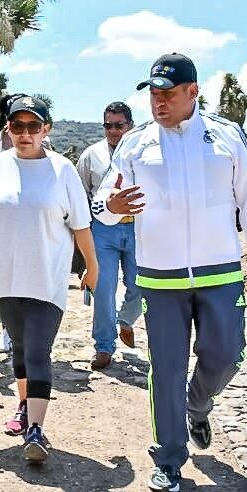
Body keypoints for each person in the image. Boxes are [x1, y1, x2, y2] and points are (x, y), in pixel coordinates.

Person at [93, 53, 247, 491]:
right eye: (154, 94)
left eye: (168, 94)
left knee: (228, 355)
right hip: (160, 278)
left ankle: (197, 407)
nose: (159, 102)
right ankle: (169, 459)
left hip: (220, 273)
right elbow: (103, 203)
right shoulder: (136, 143)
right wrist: (112, 207)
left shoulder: (226, 137)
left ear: (192, 93)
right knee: (167, 367)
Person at [0, 96, 98, 465]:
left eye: (33, 127)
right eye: (17, 126)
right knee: (20, 347)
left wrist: (92, 266)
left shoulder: (62, 169)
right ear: (8, 129)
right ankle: (24, 405)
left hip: (46, 277)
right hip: (4, 274)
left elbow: (80, 225)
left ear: (46, 130)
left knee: (37, 349)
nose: (25, 134)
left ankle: (35, 429)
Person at [0, 93, 53, 354]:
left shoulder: (44, 142)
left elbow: (50, 176)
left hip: (30, 222)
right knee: (2, 277)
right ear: (7, 120)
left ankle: (28, 335)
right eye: (16, 121)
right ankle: (8, 328)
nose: (24, 129)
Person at [76, 101, 140, 370]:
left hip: (139, 228)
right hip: (103, 231)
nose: (113, 130)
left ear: (130, 126)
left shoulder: (142, 153)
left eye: (119, 125)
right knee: (104, 289)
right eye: (108, 125)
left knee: (142, 285)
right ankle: (103, 346)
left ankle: (124, 319)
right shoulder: (91, 156)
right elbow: (80, 195)